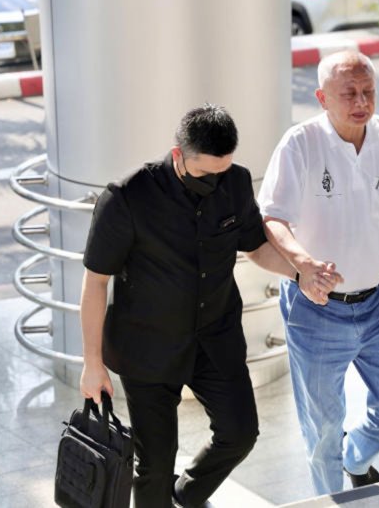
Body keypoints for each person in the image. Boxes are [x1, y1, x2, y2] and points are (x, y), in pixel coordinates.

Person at [79, 104, 302, 508]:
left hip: (216, 339)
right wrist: (92, 364)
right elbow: (96, 281)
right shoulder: (127, 197)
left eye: (221, 171)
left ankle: (187, 494)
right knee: (155, 464)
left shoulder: (235, 182)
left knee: (240, 434)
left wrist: (301, 274)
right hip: (146, 349)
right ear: (178, 155)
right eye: (204, 174)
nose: (214, 182)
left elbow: (255, 247)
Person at [257, 50, 379, 495]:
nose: (361, 102)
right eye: (349, 93)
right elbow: (273, 218)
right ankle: (330, 500)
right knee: (322, 429)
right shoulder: (300, 144)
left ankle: (356, 457)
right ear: (322, 98)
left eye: (368, 91)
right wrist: (303, 264)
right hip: (316, 311)